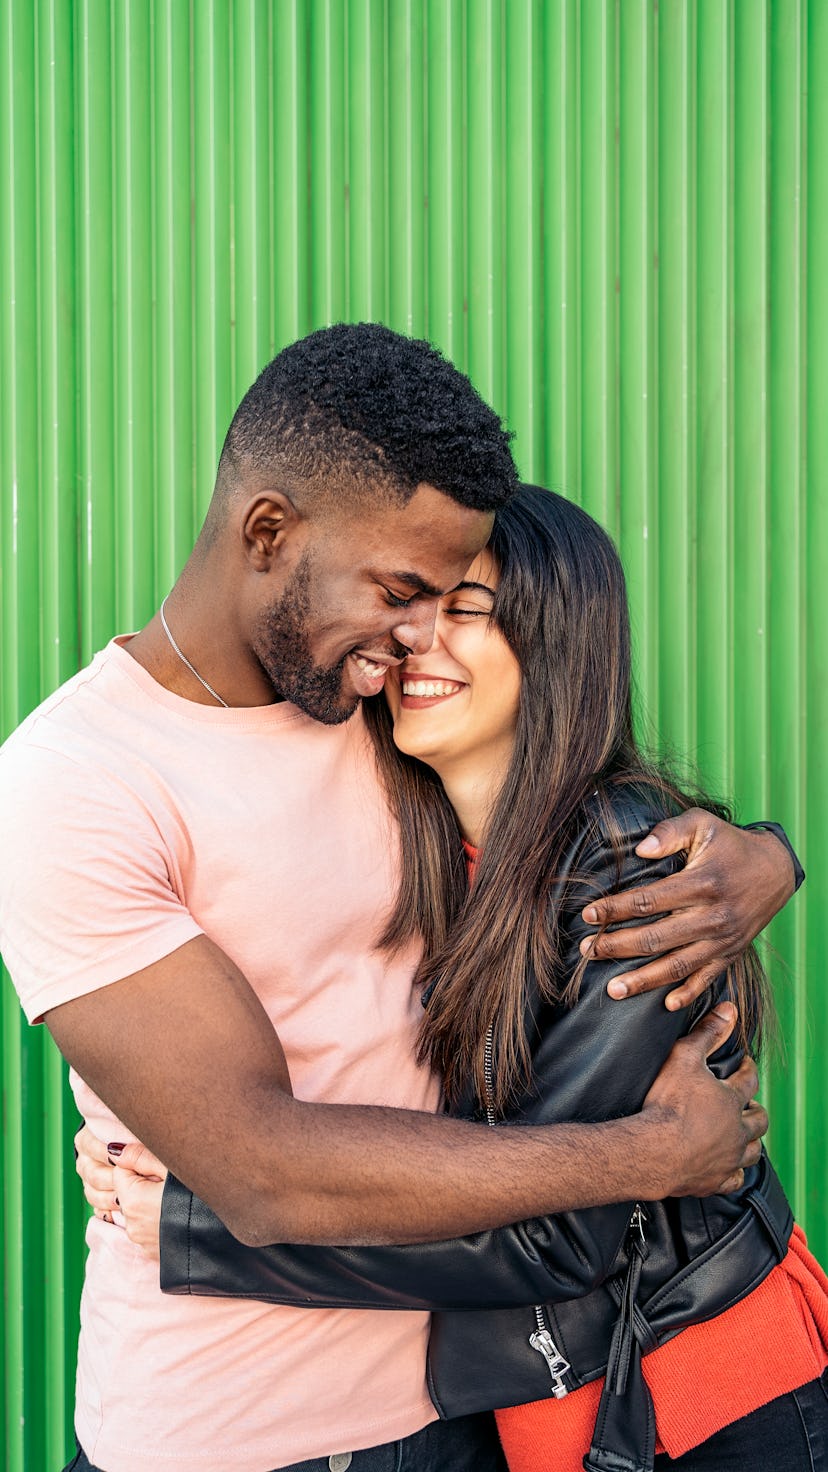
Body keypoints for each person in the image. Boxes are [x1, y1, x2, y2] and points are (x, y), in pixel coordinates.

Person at [0, 325, 794, 1472]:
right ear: (268, 533)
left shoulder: (373, 705)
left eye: (449, 604)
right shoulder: (74, 780)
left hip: (464, 1406)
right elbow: (262, 1169)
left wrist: (762, 856)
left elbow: (568, 779)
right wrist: (648, 1154)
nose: (416, 639)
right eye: (402, 590)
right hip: (223, 1432)